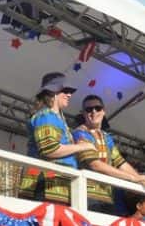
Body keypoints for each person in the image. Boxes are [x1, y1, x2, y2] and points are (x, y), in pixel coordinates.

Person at [18, 73, 96, 204]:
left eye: (70, 91)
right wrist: (81, 147)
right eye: (65, 90)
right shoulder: (46, 115)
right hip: (46, 185)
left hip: (57, 187)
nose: (70, 94)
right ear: (52, 91)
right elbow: (49, 149)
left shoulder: (56, 117)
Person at [72, 94, 145, 213]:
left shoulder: (107, 137)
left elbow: (121, 163)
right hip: (87, 195)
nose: (94, 112)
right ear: (83, 113)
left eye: (97, 108)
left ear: (104, 111)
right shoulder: (80, 134)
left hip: (108, 197)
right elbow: (95, 164)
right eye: (89, 109)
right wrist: (133, 178)